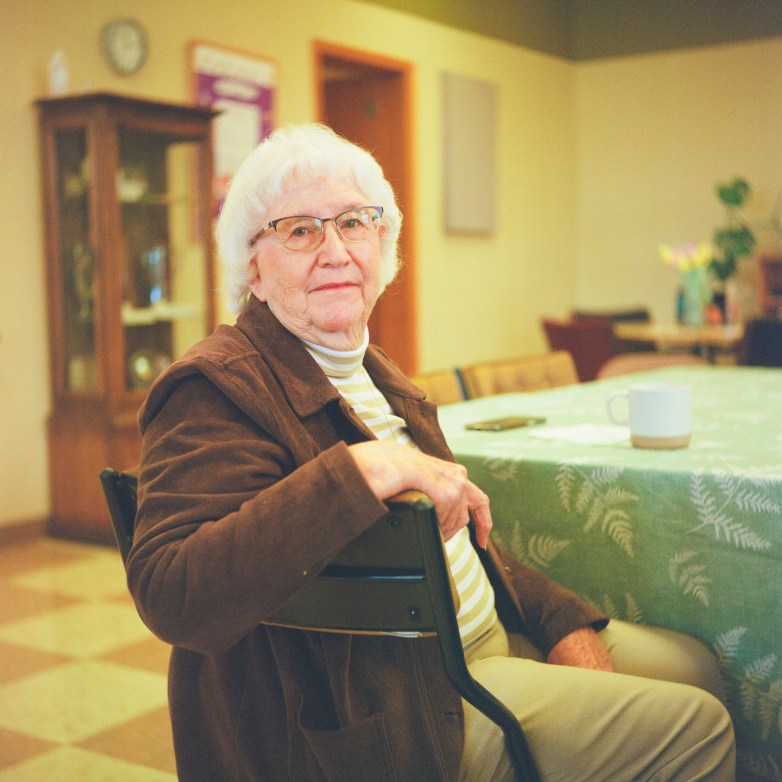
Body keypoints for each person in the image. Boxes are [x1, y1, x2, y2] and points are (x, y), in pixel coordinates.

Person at [128, 123, 735, 781]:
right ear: (253, 267)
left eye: (354, 223)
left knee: (700, 667)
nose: (335, 251)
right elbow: (171, 590)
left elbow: (464, 543)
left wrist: (558, 621)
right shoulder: (216, 385)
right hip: (399, 704)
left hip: (479, 638)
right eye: (300, 230)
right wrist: (364, 467)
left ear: (382, 245)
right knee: (696, 728)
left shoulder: (376, 373)